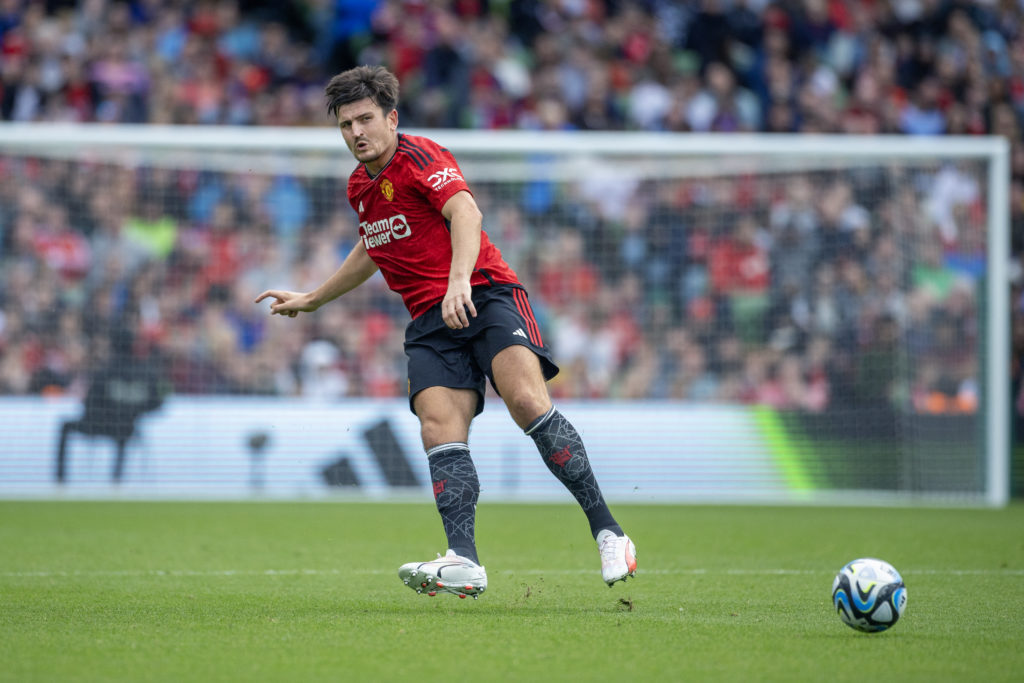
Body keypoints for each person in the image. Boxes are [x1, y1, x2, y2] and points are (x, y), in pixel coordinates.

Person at [255, 65, 636, 599]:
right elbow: (373, 246)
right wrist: (315, 297)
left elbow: (466, 212)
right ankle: (465, 560)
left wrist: (459, 281)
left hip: (484, 293)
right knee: (438, 429)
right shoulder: (359, 187)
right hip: (430, 322)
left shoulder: (422, 157)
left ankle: (609, 530)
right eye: (346, 125)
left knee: (526, 401)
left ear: (391, 118)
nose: (356, 133)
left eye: (365, 119)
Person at [55, 325, 166, 484]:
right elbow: (158, 402)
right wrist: (134, 412)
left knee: (65, 426)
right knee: (123, 433)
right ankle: (116, 480)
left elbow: (90, 403)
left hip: (101, 424)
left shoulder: (105, 370)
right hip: (127, 427)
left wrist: (102, 413)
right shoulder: (146, 372)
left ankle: (60, 478)